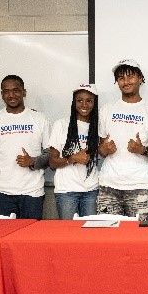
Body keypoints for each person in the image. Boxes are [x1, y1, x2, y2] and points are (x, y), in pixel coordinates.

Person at [0, 75, 50, 219]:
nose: (11, 95)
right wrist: (4, 171)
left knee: (29, 237)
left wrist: (33, 162)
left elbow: (50, 154)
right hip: (1, 191)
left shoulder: (40, 119)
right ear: (2, 94)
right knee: (5, 236)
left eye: (16, 90)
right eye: (6, 91)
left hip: (32, 190)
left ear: (24, 92)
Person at [97, 59, 148, 218]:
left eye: (130, 76)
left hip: (140, 185)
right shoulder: (106, 110)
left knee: (140, 237)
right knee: (107, 236)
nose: (126, 82)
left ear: (140, 78)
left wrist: (142, 150)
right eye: (121, 78)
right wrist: (103, 150)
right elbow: (100, 149)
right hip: (108, 186)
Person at [48, 84, 100, 219]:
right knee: (69, 235)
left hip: (91, 191)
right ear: (74, 102)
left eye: (89, 100)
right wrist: (72, 158)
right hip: (66, 191)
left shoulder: (98, 127)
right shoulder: (61, 125)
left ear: (94, 103)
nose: (84, 104)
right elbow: (52, 162)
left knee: (90, 236)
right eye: (79, 100)